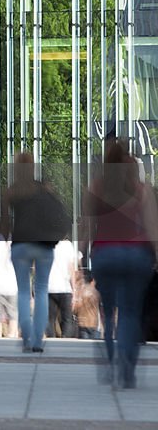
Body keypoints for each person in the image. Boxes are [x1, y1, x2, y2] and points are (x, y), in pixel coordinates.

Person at [82, 139, 158, 388]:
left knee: (108, 311)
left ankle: (109, 359)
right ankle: (128, 368)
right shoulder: (141, 190)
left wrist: (83, 255)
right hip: (136, 255)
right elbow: (152, 227)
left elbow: (86, 227)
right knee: (130, 312)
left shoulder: (96, 187)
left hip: (105, 255)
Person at [3, 152, 60, 354]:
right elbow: (57, 212)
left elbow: (4, 224)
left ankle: (26, 336)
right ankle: (38, 340)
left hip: (20, 244)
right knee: (42, 290)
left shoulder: (11, 191)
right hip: (44, 245)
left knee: (24, 291)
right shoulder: (43, 188)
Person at [46, 237, 79, 338]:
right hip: (65, 288)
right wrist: (74, 290)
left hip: (49, 288)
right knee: (67, 319)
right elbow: (71, 268)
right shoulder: (68, 245)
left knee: (50, 319)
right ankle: (66, 340)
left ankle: (50, 341)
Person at [72, 269, 102, 341]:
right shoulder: (97, 292)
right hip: (95, 324)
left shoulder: (79, 292)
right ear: (92, 281)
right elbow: (102, 309)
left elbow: (75, 309)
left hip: (82, 323)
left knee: (84, 346)